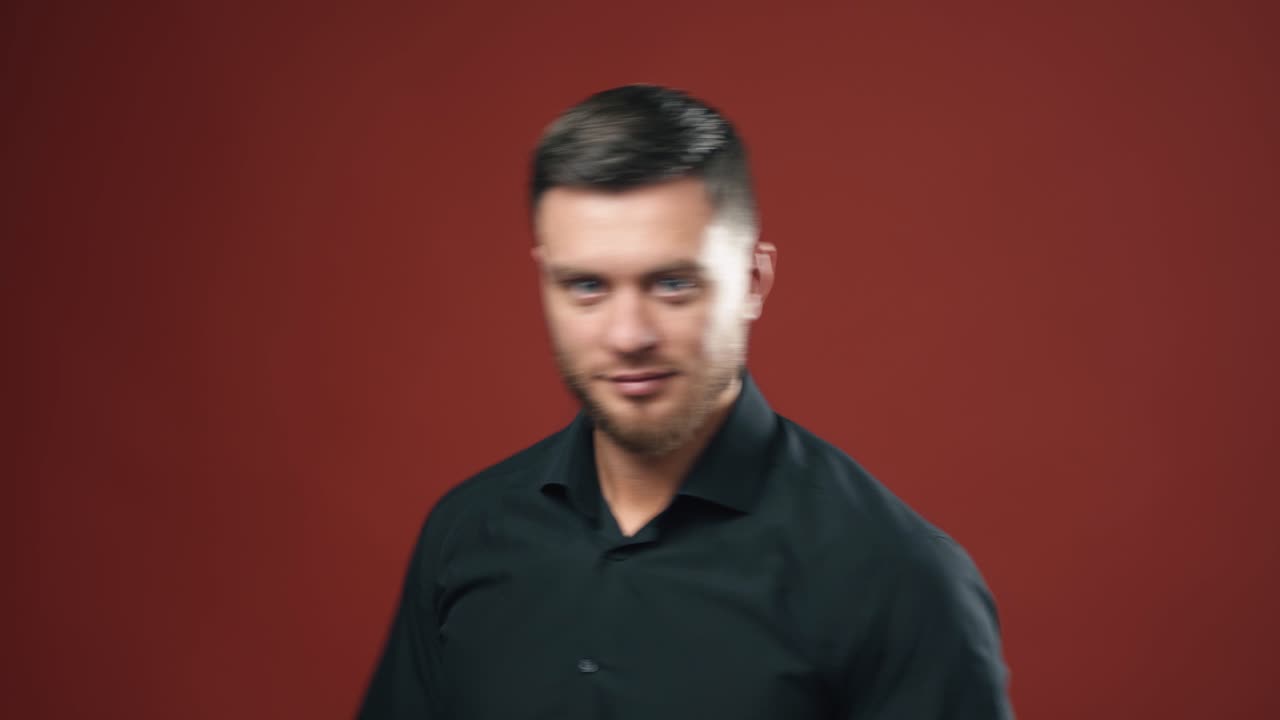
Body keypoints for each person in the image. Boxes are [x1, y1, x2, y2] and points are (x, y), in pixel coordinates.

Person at [358, 83, 1013, 719]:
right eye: (586, 286)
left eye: (672, 284)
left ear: (754, 281)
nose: (628, 336)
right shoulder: (465, 534)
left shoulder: (899, 580)